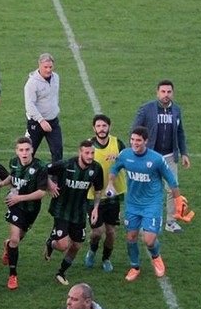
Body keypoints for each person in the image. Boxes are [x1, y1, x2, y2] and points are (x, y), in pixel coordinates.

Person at [107, 126, 182, 282]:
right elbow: (115, 168)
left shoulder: (156, 159)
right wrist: (110, 184)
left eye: (138, 140)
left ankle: (156, 256)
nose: (134, 143)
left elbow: (171, 180)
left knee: (149, 240)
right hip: (132, 204)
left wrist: (178, 201)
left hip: (151, 204)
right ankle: (135, 267)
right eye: (132, 140)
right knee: (131, 237)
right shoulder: (125, 155)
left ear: (146, 141)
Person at [131, 79, 190, 233]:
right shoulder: (146, 109)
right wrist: (137, 149)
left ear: (173, 93)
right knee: (147, 188)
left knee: (172, 188)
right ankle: (143, 218)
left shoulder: (176, 110)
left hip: (170, 156)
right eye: (163, 92)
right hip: (150, 156)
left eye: (169, 92)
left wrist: (184, 153)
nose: (166, 95)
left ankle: (171, 221)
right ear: (157, 93)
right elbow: (135, 130)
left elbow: (180, 132)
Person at [43, 140, 104, 286]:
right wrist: (50, 184)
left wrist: (96, 207)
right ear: (80, 153)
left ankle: (61, 272)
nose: (90, 156)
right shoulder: (67, 165)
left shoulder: (96, 169)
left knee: (76, 245)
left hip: (79, 212)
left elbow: (98, 189)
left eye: (92, 153)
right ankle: (51, 243)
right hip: (61, 210)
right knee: (63, 245)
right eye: (87, 153)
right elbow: (42, 169)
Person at [0, 136, 48, 290]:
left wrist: (20, 198)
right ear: (17, 151)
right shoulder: (14, 161)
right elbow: (13, 176)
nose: (24, 153)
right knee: (15, 239)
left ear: (32, 150)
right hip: (15, 205)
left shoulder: (40, 166)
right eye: (21, 150)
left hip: (32, 208)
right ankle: (13, 275)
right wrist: (2, 183)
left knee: (19, 237)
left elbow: (41, 193)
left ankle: (9, 247)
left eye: (27, 149)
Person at [84, 115, 126, 272]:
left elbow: (129, 162)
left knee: (110, 231)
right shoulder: (89, 146)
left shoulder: (118, 144)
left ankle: (106, 258)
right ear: (94, 128)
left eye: (104, 126)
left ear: (109, 127)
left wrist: (119, 158)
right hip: (93, 194)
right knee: (96, 232)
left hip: (113, 194)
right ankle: (92, 250)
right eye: (98, 126)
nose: (101, 129)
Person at [25, 53, 63, 163]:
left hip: (53, 121)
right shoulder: (32, 83)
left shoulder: (56, 77)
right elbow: (29, 105)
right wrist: (41, 120)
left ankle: (56, 178)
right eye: (45, 67)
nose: (48, 70)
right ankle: (23, 176)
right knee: (28, 152)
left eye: (50, 67)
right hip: (36, 123)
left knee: (57, 151)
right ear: (39, 66)